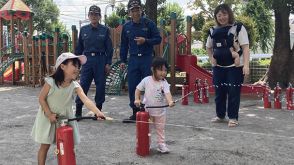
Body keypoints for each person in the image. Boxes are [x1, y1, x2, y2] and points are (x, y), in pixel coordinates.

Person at [31, 52, 105, 165]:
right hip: (48, 117)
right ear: (62, 66)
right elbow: (41, 99)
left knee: (67, 146)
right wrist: (49, 114)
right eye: (74, 65)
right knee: (45, 146)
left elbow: (86, 100)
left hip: (66, 119)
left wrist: (98, 112)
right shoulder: (51, 82)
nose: (77, 68)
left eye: (78, 66)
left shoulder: (75, 85)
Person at [206, 4, 250, 127]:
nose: (222, 17)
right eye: (219, 15)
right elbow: (208, 47)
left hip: (235, 67)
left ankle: (233, 117)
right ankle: (220, 115)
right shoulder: (212, 31)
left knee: (233, 91)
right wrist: (211, 59)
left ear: (229, 14)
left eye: (224, 14)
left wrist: (246, 65)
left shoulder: (238, 28)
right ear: (216, 17)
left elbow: (245, 47)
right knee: (219, 92)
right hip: (218, 67)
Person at [120, 0, 162, 123]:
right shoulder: (127, 26)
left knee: (150, 86)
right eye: (132, 10)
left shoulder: (149, 24)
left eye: (137, 10)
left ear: (141, 10)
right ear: (129, 12)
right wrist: (122, 60)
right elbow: (123, 45)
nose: (135, 13)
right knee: (133, 86)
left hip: (146, 58)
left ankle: (150, 112)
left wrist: (146, 40)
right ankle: (135, 113)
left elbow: (158, 39)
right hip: (133, 59)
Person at [75, 5, 113, 117]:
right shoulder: (83, 30)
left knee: (100, 86)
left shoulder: (105, 30)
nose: (94, 16)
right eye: (91, 14)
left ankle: (98, 111)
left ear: (100, 16)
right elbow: (79, 48)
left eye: (96, 14)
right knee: (83, 85)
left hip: (100, 60)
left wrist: (108, 63)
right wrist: (77, 63)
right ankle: (78, 111)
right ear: (88, 16)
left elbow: (109, 48)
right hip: (87, 60)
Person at [134, 57, 174, 153]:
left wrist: (170, 101)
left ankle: (161, 144)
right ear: (153, 69)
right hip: (148, 111)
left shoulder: (164, 83)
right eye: (160, 70)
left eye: (165, 70)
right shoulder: (146, 80)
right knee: (147, 129)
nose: (163, 72)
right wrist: (137, 99)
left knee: (160, 129)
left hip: (160, 112)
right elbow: (138, 89)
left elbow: (167, 93)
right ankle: (146, 144)